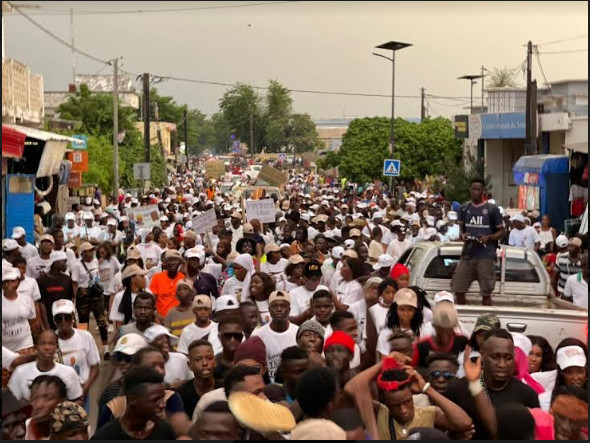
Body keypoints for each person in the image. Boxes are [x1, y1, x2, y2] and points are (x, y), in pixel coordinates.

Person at [444, 329, 539, 439]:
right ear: (482, 355)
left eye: (508, 358)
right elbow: (441, 431)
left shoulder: (527, 395)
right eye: (495, 357)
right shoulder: (457, 389)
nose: (502, 364)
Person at [450, 178, 504, 306]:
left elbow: (501, 231)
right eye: (473, 189)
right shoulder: (464, 208)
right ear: (470, 190)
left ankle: (485, 317)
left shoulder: (492, 209)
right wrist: (463, 235)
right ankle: (463, 317)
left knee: (486, 292)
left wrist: (489, 237)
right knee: (458, 288)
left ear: (483, 191)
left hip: (486, 255)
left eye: (478, 189)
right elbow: (461, 230)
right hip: (468, 254)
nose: (476, 192)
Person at [91, 366, 177, 440]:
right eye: (156, 400)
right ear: (133, 400)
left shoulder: (165, 431)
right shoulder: (106, 437)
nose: (163, 404)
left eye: (162, 398)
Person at [8, 330, 83, 402]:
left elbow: (77, 400)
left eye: (51, 343)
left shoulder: (68, 373)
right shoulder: (21, 372)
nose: (47, 348)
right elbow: (10, 401)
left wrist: (62, 410)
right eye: (42, 343)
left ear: (56, 347)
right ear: (35, 347)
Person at [53, 299, 100, 402]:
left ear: (73, 317)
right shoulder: (51, 341)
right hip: (60, 396)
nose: (63, 321)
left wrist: (84, 390)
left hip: (82, 391)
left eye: (67, 317)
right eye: (59, 318)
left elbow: (95, 366)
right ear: (54, 320)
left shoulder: (85, 336)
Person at [251, 291, 299, 382]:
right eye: (275, 306)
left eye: (283, 306)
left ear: (289, 310)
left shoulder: (298, 332)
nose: (279, 309)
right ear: (269, 309)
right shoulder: (258, 334)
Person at [72, 242, 110, 358]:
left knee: (102, 322)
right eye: (89, 251)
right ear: (83, 253)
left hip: (96, 295)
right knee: (83, 324)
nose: (92, 252)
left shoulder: (95, 262)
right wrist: (74, 299)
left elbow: (97, 275)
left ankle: (106, 349)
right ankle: (84, 348)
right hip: (83, 296)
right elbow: (74, 283)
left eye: (92, 250)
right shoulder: (77, 266)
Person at [292, 367, 346, 439]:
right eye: (339, 392)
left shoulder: (295, 431)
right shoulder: (331, 432)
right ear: (330, 406)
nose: (341, 396)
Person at [412, 302, 468, 369]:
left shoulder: (462, 342)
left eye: (448, 330)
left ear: (454, 327)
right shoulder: (422, 346)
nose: (445, 334)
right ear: (435, 327)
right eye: (441, 330)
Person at [176, 340, 223, 418]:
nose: (205, 363)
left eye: (209, 358)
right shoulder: (181, 394)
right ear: (189, 365)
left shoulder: (225, 389)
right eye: (198, 359)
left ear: (215, 362)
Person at [376, 288, 424, 359]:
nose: (406, 313)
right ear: (395, 310)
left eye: (410, 309)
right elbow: (384, 361)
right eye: (402, 309)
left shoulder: (423, 330)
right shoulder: (386, 333)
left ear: (416, 311)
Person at [25, 375, 68, 440]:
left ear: (63, 402)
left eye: (48, 398)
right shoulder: (23, 429)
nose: (39, 405)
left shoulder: (79, 430)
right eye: (34, 398)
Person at [109, 264, 149, 332]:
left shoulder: (148, 294)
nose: (145, 279)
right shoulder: (120, 297)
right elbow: (119, 323)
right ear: (132, 279)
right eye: (141, 276)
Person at [149, 250, 186, 318]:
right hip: (160, 319)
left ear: (179, 263)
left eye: (176, 260)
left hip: (179, 319)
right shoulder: (156, 278)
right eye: (170, 260)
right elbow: (152, 301)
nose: (173, 263)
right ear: (165, 263)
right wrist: (158, 318)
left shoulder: (183, 278)